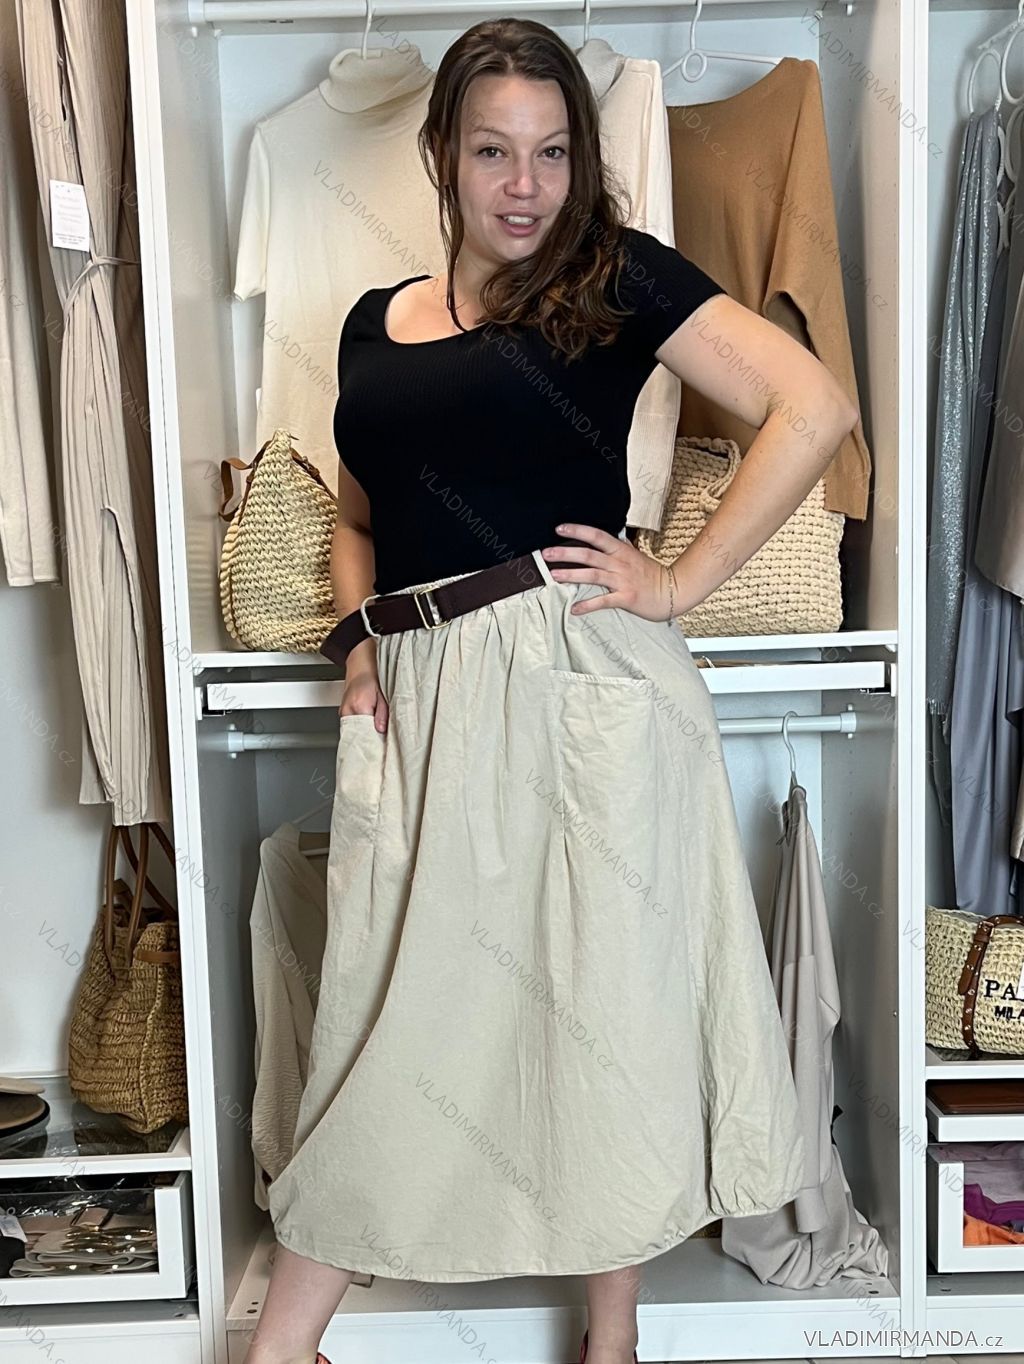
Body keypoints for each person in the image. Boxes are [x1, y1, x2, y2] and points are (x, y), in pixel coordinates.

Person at [243, 17, 859, 1364]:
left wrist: (677, 584)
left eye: (552, 152)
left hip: (575, 668)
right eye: (492, 152)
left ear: (581, 160)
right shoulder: (370, 325)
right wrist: (359, 644)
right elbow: (358, 513)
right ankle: (287, 1345)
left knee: (602, 1001)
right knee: (385, 1017)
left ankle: (608, 1339)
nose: (523, 186)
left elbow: (814, 409)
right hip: (419, 695)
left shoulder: (619, 278)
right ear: (440, 155)